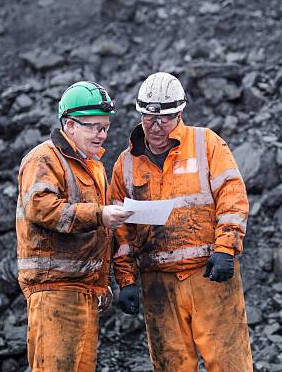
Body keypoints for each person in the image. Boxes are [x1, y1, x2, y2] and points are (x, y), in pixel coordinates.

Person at [112, 72, 253, 372]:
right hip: (158, 284)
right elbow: (120, 230)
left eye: (165, 118)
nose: (156, 126)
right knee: (171, 365)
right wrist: (125, 280)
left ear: (180, 113)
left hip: (209, 276)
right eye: (150, 118)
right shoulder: (125, 164)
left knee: (229, 363)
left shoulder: (206, 144)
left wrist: (226, 248)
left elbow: (232, 195)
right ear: (140, 114)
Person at [16, 81, 131, 372]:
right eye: (94, 127)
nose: (101, 135)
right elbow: (40, 207)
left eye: (105, 127)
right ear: (69, 124)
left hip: (85, 292)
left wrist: (103, 283)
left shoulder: (93, 167)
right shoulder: (44, 158)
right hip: (54, 292)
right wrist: (99, 215)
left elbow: (102, 233)